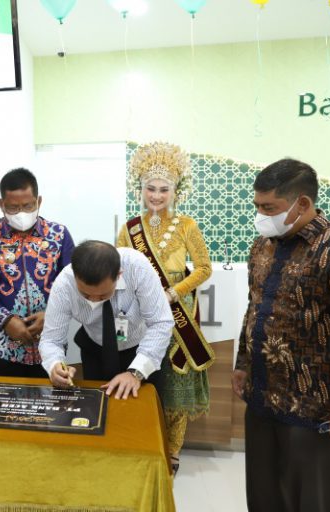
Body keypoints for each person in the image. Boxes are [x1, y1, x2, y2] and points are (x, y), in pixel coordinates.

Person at [231, 159, 330, 512]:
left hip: (315, 411)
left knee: (312, 503)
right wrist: (244, 362)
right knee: (263, 499)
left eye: (268, 207)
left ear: (301, 204)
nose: (260, 215)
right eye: (257, 206)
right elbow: (254, 307)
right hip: (261, 401)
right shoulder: (263, 246)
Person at [117, 142, 214, 475]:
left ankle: (172, 452)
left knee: (174, 387)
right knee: (145, 381)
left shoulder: (187, 225)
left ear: (176, 191)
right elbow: (118, 270)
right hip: (139, 314)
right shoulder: (129, 228)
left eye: (163, 189)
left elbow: (203, 268)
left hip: (177, 315)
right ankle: (145, 443)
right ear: (140, 190)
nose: (156, 195)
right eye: (150, 189)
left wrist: (174, 292)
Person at [0, 168, 74, 377]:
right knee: (6, 408)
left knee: (54, 407)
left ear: (39, 201)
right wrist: (6, 321)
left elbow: (73, 282)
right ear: (2, 205)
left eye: (28, 206)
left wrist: (51, 316)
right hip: (4, 348)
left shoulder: (59, 235)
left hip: (51, 345)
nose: (22, 213)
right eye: (13, 208)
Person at [39, 240, 174, 400]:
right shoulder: (64, 284)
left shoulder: (137, 267)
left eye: (103, 295)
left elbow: (160, 322)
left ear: (119, 275)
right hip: (95, 350)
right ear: (75, 276)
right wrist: (55, 365)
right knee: (98, 406)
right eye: (86, 295)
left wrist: (136, 373)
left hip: (142, 349)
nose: (95, 301)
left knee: (144, 408)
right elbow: (51, 339)